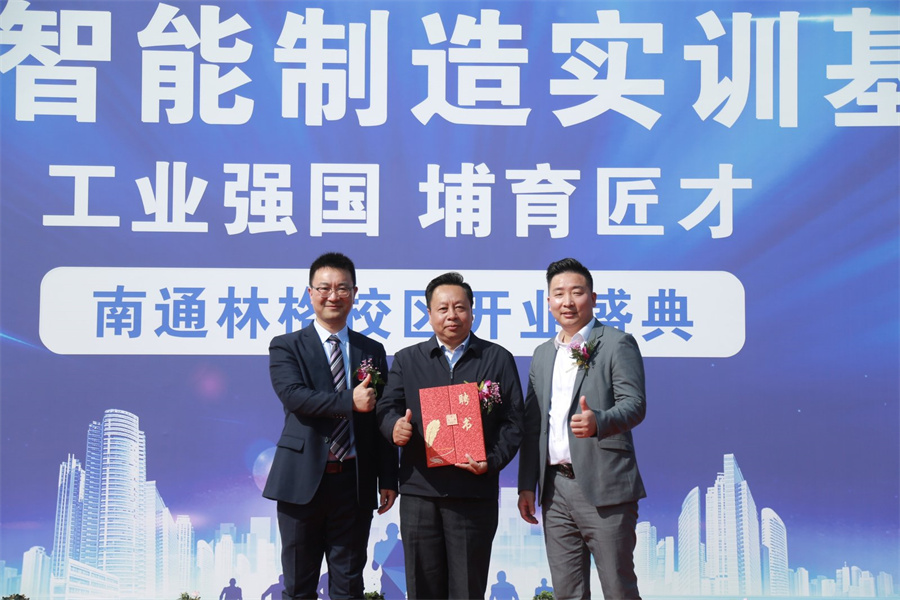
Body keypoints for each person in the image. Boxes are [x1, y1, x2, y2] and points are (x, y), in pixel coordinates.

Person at [377, 272, 524, 599]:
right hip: (420, 492)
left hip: (473, 493)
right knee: (422, 589)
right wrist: (394, 427)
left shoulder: (496, 358)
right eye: (442, 308)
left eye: (460, 307)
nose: (452, 315)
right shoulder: (407, 359)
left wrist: (491, 461)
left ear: (472, 311)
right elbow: (386, 408)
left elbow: (513, 421)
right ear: (429, 314)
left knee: (467, 590)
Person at [263, 252, 398, 600]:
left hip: (353, 483)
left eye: (342, 288)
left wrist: (388, 478)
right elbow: (295, 397)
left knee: (349, 585)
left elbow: (380, 416)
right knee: (299, 584)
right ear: (310, 294)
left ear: (354, 293)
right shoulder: (286, 346)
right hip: (301, 482)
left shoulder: (372, 350)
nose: (333, 296)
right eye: (324, 288)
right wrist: (349, 401)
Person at [517, 258, 647, 600]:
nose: (567, 301)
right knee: (567, 592)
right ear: (548, 302)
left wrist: (598, 421)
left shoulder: (617, 343)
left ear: (593, 297)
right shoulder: (542, 354)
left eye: (577, 292)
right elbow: (533, 425)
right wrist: (527, 485)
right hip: (554, 490)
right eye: (558, 294)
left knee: (618, 588)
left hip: (605, 486)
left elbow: (635, 404)